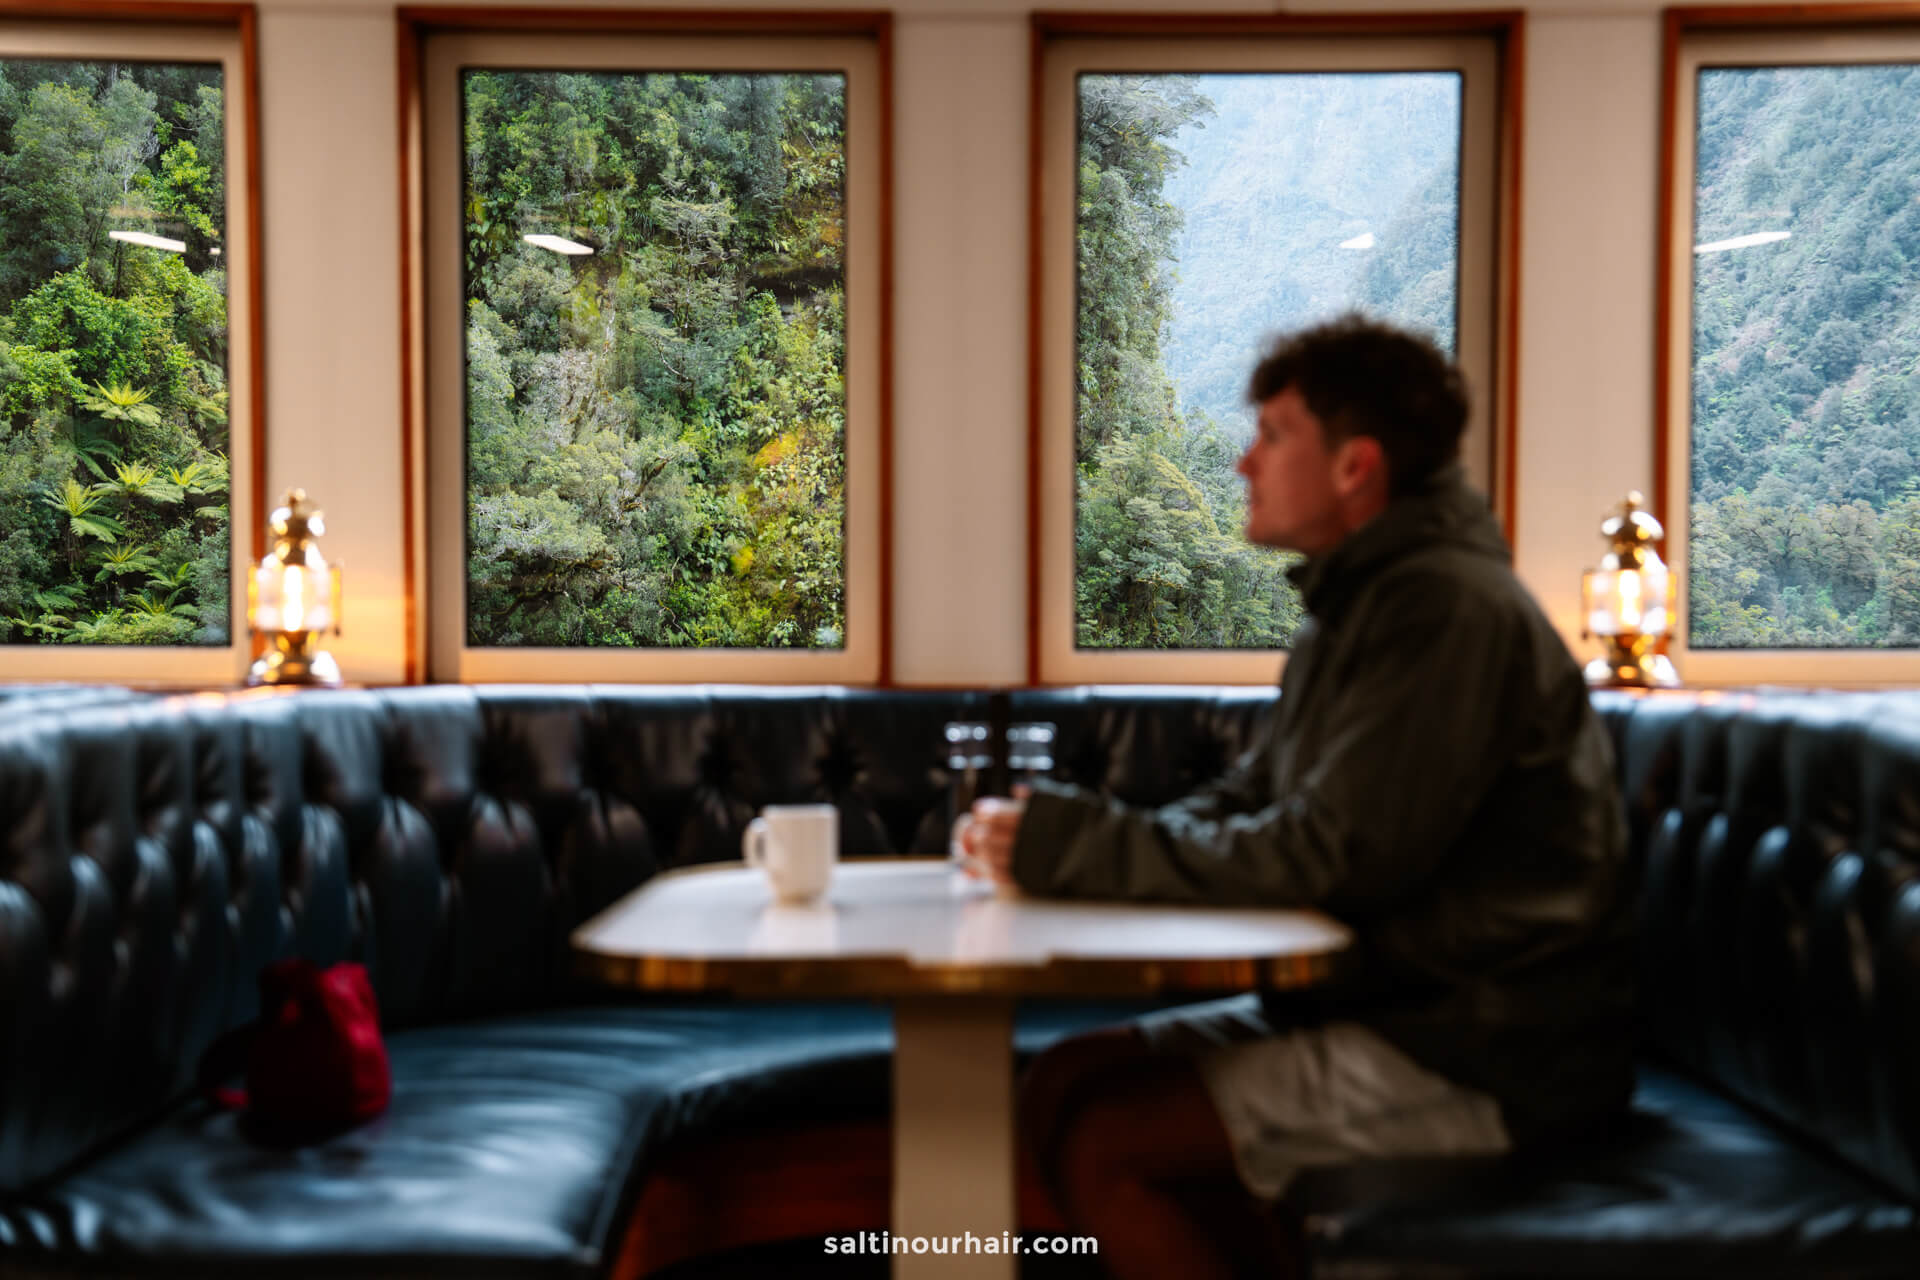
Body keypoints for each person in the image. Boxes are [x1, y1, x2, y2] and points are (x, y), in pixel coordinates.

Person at [962, 314, 1635, 1280]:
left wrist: (1077, 848)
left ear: (1356, 467)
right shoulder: (1361, 604)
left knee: (1109, 1140)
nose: (1244, 463)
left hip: (1488, 1046)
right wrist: (1078, 836)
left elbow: (1335, 854)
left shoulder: (1445, 611)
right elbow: (1258, 796)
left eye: (1273, 436)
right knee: (1062, 1079)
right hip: (1390, 1006)